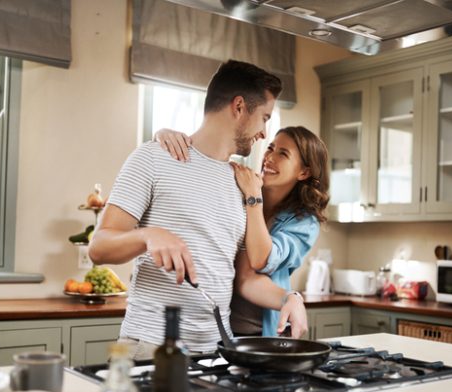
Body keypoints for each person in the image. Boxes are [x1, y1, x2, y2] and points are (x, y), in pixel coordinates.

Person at [88, 60, 308, 360]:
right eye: (264, 118)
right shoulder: (153, 158)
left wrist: (289, 298)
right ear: (239, 107)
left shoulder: (244, 184)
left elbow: (246, 280)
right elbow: (99, 247)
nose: (263, 133)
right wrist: (148, 236)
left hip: (218, 352)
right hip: (151, 347)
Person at [155, 125, 330, 336]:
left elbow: (260, 260)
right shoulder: (240, 185)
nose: (270, 157)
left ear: (304, 172)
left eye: (283, 154)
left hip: (260, 332)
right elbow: (200, 163)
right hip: (217, 330)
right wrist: (163, 135)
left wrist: (253, 198)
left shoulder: (303, 222)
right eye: (270, 148)